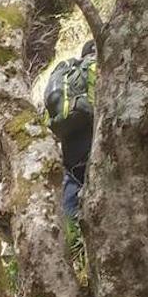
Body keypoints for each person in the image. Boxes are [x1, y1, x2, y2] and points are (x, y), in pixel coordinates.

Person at [44, 40, 96, 218]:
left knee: (70, 211)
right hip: (98, 148)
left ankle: (72, 239)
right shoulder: (99, 69)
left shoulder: (68, 74)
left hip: (73, 158)